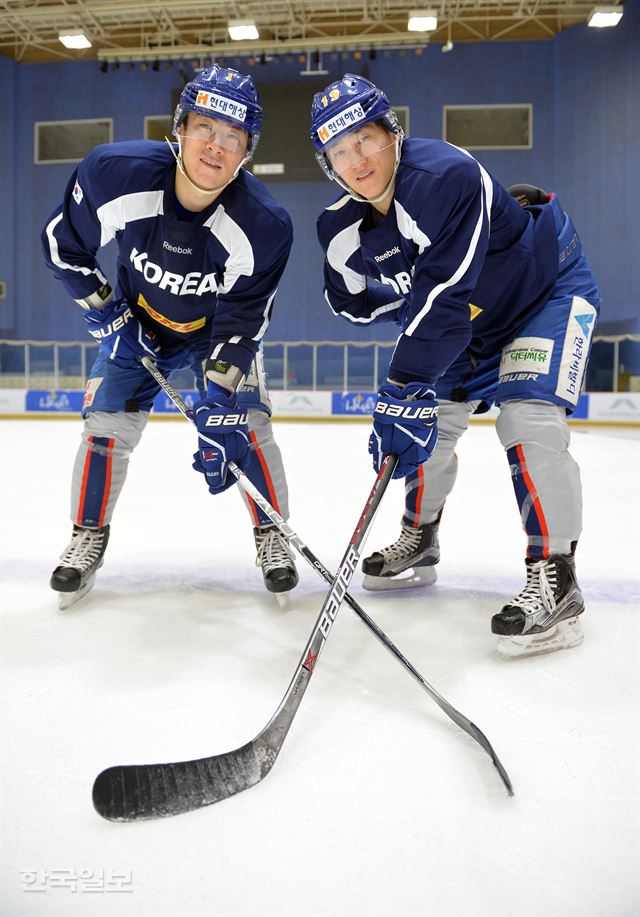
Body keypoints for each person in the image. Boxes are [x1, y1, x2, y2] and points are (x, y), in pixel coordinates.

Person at [310, 74, 600, 657]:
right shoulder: (341, 229)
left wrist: (401, 379)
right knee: (427, 427)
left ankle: (557, 575)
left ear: (392, 133)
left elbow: (442, 295)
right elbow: (351, 302)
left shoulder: (447, 177)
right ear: (330, 167)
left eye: (364, 139)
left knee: (528, 419)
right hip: (466, 320)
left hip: (541, 295)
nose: (356, 160)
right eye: (339, 151)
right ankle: (420, 535)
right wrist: (405, 329)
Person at [41, 64, 298, 609]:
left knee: (246, 426)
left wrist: (221, 394)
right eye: (205, 127)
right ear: (179, 128)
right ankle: (88, 534)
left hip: (214, 334)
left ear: (246, 151)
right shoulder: (116, 173)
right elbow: (64, 248)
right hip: (135, 325)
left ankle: (272, 533)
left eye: (233, 136)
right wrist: (105, 313)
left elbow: (245, 318)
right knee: (105, 428)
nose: (216, 146)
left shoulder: (264, 225)